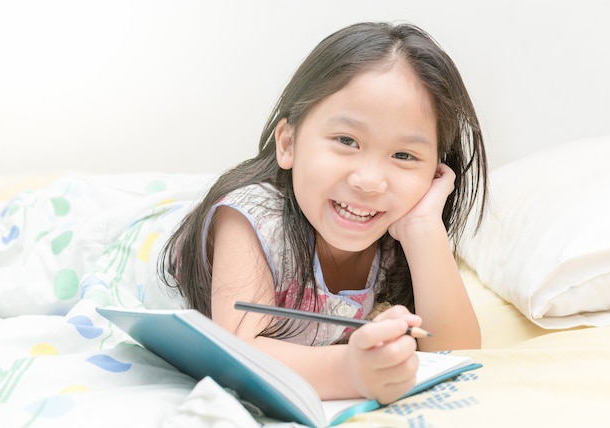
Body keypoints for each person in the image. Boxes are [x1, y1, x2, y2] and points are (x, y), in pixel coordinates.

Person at [159, 21, 487, 403]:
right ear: (288, 143)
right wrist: (349, 372)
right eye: (347, 141)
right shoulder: (250, 217)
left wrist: (423, 228)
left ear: (434, 172)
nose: (369, 181)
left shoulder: (398, 228)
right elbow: (237, 353)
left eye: (404, 155)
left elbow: (457, 354)